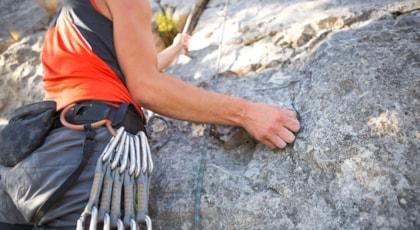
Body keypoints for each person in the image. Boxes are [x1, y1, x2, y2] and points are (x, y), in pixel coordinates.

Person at [0, 0, 300, 229]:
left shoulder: (68, 15)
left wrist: (172, 51)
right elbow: (144, 86)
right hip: (84, 156)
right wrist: (247, 113)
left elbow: (127, 69)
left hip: (28, 163)